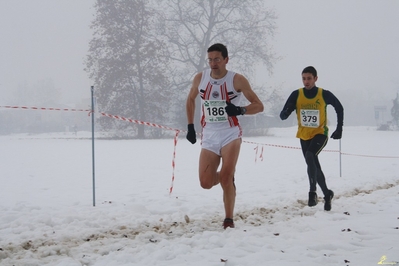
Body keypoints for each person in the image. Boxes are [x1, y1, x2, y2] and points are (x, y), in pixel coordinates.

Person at [185, 43, 264, 229]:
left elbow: (259, 105)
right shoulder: (200, 78)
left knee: (227, 179)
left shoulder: (237, 80)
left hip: (230, 133)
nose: (213, 63)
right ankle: (227, 176)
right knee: (205, 182)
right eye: (210, 60)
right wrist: (190, 126)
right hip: (209, 133)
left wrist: (240, 109)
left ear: (226, 60)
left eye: (217, 59)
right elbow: (190, 99)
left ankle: (228, 218)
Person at [280, 66, 344, 211]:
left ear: (315, 78)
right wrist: (286, 112)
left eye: (309, 78)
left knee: (310, 155)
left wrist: (339, 128)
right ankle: (327, 194)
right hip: (304, 135)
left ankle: (312, 192)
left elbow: (339, 108)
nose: (306, 81)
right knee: (313, 164)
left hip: (320, 133)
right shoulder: (296, 94)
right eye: (304, 78)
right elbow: (284, 112)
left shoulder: (323, 94)